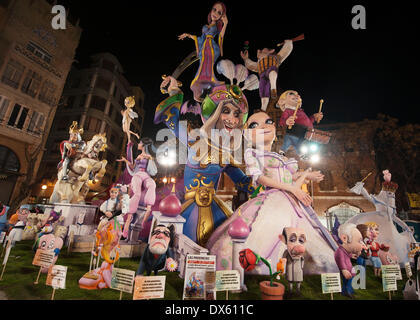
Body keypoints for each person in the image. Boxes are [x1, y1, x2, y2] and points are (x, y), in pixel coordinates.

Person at [207, 111, 338, 275]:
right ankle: (259, 266)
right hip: (270, 199)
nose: (264, 126)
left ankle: (292, 266)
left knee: (300, 233)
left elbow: (289, 178)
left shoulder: (281, 157)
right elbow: (260, 178)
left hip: (289, 200)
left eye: (268, 122)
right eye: (254, 125)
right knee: (263, 229)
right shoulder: (253, 154)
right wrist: (291, 188)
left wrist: (305, 175)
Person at [155, 73, 256, 247]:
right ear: (213, 113)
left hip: (216, 208)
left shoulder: (227, 156)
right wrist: (174, 91)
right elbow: (173, 120)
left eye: (236, 114)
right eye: (225, 111)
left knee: (220, 246)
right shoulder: (192, 140)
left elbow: (244, 183)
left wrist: (264, 176)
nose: (231, 119)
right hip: (189, 207)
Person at [178, 2, 228, 102]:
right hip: (204, 47)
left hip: (211, 48)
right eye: (214, 10)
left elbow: (221, 36)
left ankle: (211, 83)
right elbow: (200, 38)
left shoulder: (217, 27)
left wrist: (225, 24)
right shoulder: (205, 26)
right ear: (211, 10)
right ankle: (201, 89)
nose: (215, 13)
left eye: (219, 12)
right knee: (203, 65)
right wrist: (188, 35)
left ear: (221, 16)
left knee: (208, 65)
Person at [117, 138, 157, 238]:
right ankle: (126, 225)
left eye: (140, 143)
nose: (138, 144)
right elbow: (133, 167)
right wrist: (125, 160)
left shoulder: (149, 157)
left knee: (152, 184)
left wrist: (151, 159)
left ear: (143, 145)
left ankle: (147, 211)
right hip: (138, 175)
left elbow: (153, 171)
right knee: (137, 194)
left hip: (146, 176)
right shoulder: (139, 156)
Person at [241, 42, 293, 111]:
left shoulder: (275, 58)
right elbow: (251, 65)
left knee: (272, 72)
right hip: (263, 77)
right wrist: (246, 59)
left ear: (271, 51)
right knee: (263, 92)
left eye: (262, 51)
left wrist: (288, 43)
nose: (259, 51)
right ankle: (263, 109)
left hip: (271, 70)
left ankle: (273, 88)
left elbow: (285, 51)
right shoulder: (259, 64)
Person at [277, 90, 323, 155]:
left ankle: (302, 154)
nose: (297, 96)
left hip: (305, 133)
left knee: (299, 145)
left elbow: (307, 122)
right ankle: (282, 151)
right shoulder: (288, 111)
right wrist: (287, 121)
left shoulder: (301, 111)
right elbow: (282, 121)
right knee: (289, 141)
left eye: (297, 94)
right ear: (282, 101)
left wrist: (314, 117)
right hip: (295, 132)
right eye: (292, 94)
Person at [334, 223, 366, 299]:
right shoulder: (339, 251)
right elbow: (340, 260)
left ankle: (347, 291)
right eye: (359, 241)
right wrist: (344, 270)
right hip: (346, 269)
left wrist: (352, 256)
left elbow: (347, 255)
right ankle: (347, 291)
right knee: (347, 280)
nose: (361, 244)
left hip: (349, 268)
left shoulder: (345, 251)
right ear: (344, 238)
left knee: (348, 280)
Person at [280, 227, 306, 297]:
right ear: (284, 240)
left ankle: (298, 291)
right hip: (290, 267)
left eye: (301, 240)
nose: (297, 244)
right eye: (292, 240)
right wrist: (281, 268)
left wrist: (302, 266)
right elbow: (283, 259)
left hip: (298, 268)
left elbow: (302, 259)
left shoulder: (300, 254)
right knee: (290, 280)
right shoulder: (286, 252)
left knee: (298, 280)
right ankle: (290, 291)